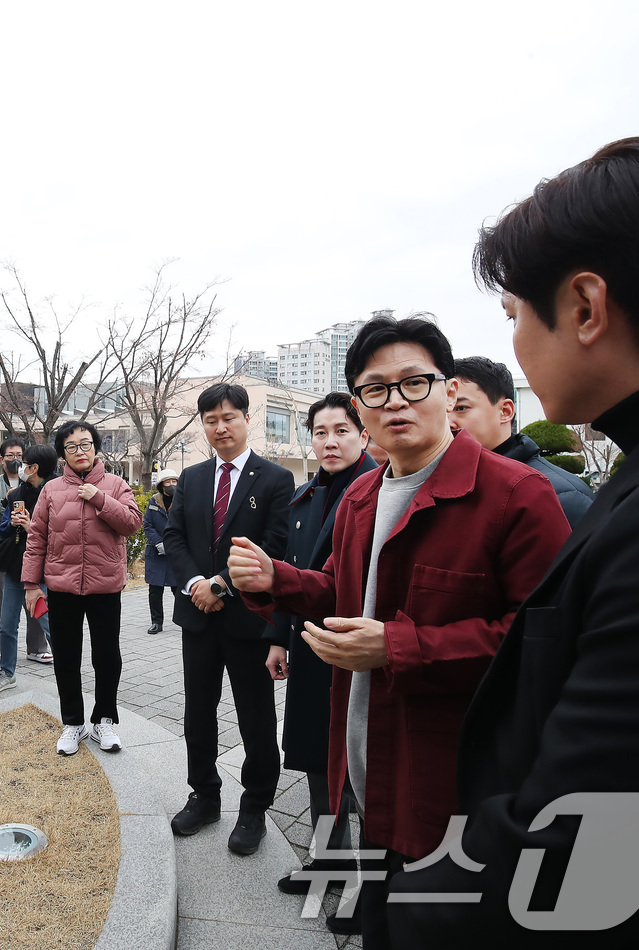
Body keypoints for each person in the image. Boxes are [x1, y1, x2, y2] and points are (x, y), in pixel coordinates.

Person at [388, 135, 639, 948]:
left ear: (586, 308)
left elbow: (583, 837)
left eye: (516, 315)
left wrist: (405, 918)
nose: (515, 344)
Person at [228, 315, 569, 949]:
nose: (396, 402)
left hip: (457, 792)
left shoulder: (517, 495)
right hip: (365, 770)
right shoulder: (361, 496)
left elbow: (544, 645)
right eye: (375, 389)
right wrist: (273, 578)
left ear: (448, 389)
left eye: (414, 383)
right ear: (361, 406)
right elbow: (340, 592)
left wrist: (397, 647)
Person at [162, 382, 294, 854]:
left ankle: (255, 807)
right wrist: (196, 583)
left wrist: (222, 584)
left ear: (245, 418)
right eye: (211, 419)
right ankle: (205, 796)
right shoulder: (193, 477)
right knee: (197, 714)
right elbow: (174, 538)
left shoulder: (276, 480)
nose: (220, 427)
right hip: (197, 617)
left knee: (255, 718)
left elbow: (276, 548)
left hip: (248, 620)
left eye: (228, 417)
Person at [263, 394, 377, 935]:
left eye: (341, 431)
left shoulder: (380, 492)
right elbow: (292, 576)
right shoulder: (307, 497)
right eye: (320, 432)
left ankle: (366, 885)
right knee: (315, 763)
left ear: (364, 436)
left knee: (362, 774)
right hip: (312, 650)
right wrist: (278, 638)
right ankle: (329, 862)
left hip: (364, 657)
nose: (329, 442)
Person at [21, 421, 142, 756]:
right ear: (63, 453)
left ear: (96, 447)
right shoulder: (51, 490)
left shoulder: (116, 485)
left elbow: (132, 524)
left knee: (106, 657)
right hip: (62, 587)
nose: (80, 451)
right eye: (71, 446)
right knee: (66, 657)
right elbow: (36, 540)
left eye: (85, 444)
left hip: (105, 587)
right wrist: (32, 584)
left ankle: (104, 720)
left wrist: (99, 498)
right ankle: (73, 722)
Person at [448, 356, 594, 525]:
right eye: (443, 410)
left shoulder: (562, 495)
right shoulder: (444, 487)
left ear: (505, 411)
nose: (448, 422)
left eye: (461, 408)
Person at [0, 444, 58, 693]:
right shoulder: (18, 493)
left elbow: (61, 537)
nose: (21, 467)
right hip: (18, 571)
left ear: (35, 468)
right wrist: (13, 523)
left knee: (49, 623)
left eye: (24, 463)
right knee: (7, 624)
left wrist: (31, 528)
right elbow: (3, 530)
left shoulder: (57, 493)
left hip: (47, 575)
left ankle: (67, 674)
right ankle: (7, 672)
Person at [142, 468, 179, 634]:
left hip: (176, 553)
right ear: (161, 485)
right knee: (155, 590)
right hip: (156, 553)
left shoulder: (183, 501)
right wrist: (158, 543)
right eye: (168, 482)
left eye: (174, 481)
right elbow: (148, 525)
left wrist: (172, 544)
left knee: (179, 589)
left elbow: (188, 526)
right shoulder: (154, 502)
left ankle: (184, 619)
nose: (171, 485)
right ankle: (157, 622)